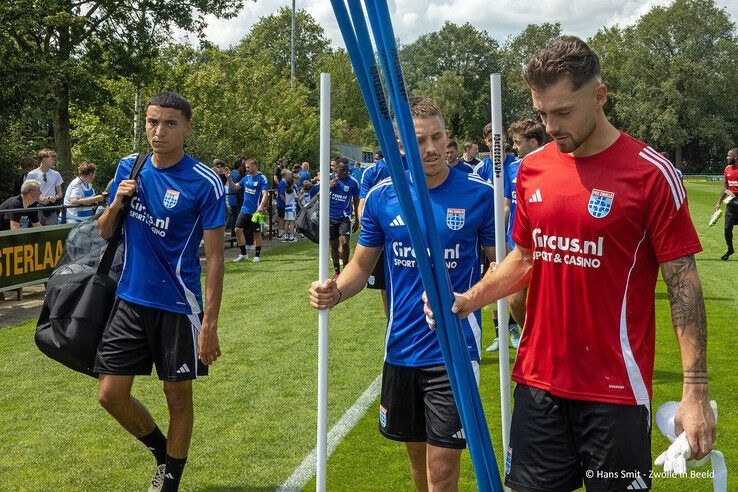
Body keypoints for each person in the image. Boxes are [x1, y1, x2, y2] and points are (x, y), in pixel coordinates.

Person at [424, 36, 714, 491]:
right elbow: (523, 258)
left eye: (562, 112)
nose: (550, 125)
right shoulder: (534, 169)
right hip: (538, 384)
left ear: (598, 95)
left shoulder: (650, 173)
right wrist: (465, 301)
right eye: (541, 113)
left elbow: (683, 283)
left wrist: (694, 392)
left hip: (616, 393)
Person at [310, 96, 496, 491]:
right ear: (400, 146)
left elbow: (501, 267)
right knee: (417, 460)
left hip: (456, 348)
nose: (430, 149)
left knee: (443, 469)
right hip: (401, 348)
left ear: (448, 138)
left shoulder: (478, 194)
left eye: (437, 137)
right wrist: (334, 291)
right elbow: (361, 267)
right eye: (418, 140)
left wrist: (475, 296)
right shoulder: (382, 197)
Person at [94, 91, 225, 492]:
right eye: (152, 122)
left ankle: (170, 480)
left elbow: (216, 258)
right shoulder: (129, 167)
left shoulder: (205, 181)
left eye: (169, 123)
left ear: (186, 127)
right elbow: (104, 229)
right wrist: (117, 201)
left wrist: (209, 325)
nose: (159, 130)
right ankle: (162, 451)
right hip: (129, 300)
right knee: (110, 395)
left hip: (178, 306)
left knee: (177, 397)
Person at [486, 120, 546, 352]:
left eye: (517, 143)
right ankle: (531, 337)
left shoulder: (551, 166)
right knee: (514, 300)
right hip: (516, 245)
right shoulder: (512, 169)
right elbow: (506, 204)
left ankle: (544, 343)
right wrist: (496, 235)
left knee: (545, 301)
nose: (514, 147)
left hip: (546, 246)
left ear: (533, 143)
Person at [311, 158, 359, 276]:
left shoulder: (353, 182)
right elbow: (317, 196)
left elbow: (357, 201)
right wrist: (329, 187)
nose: (344, 173)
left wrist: (357, 219)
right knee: (333, 244)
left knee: (344, 243)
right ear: (336, 168)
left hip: (344, 217)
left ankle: (346, 268)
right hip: (330, 217)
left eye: (347, 171)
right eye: (342, 170)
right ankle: (337, 271)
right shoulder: (328, 179)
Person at [225, 159, 269, 262]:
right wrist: (229, 178)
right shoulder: (246, 178)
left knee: (256, 233)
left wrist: (261, 206)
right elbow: (235, 187)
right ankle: (243, 254)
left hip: (255, 211)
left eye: (248, 166)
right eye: (246, 167)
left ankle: (257, 255)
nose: (246, 168)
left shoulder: (262, 178)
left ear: (255, 166)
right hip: (244, 210)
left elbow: (265, 194)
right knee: (237, 230)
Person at [26, 148, 64, 225]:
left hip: (51, 208)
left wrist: (55, 197)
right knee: (37, 233)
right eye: (52, 159)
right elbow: (27, 192)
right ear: (44, 160)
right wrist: (39, 198)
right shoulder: (32, 174)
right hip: (36, 208)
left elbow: (60, 193)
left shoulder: (56, 174)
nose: (54, 161)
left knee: (51, 232)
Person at [715, 147, 738, 260]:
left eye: (729, 156)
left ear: (736, 157)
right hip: (731, 202)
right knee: (727, 228)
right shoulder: (727, 169)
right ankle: (730, 249)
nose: (727, 157)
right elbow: (725, 187)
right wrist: (719, 202)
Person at [227, 158, 246, 238]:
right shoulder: (237, 175)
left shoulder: (231, 173)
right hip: (235, 198)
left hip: (232, 198)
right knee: (236, 217)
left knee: (234, 217)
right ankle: (235, 234)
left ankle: (233, 234)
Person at [276, 168, 291, 238]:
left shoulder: (283, 183)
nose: (289, 176)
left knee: (283, 217)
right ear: (285, 175)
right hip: (281, 204)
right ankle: (281, 232)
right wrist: (286, 202)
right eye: (288, 174)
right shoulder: (282, 183)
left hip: (282, 204)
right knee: (282, 218)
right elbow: (281, 195)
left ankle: (283, 231)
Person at [283, 175, 298, 242]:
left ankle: (285, 236)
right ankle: (291, 236)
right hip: (292, 208)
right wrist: (299, 194)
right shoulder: (293, 190)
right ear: (292, 184)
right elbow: (296, 198)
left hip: (287, 207)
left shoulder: (285, 191)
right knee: (292, 222)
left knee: (286, 222)